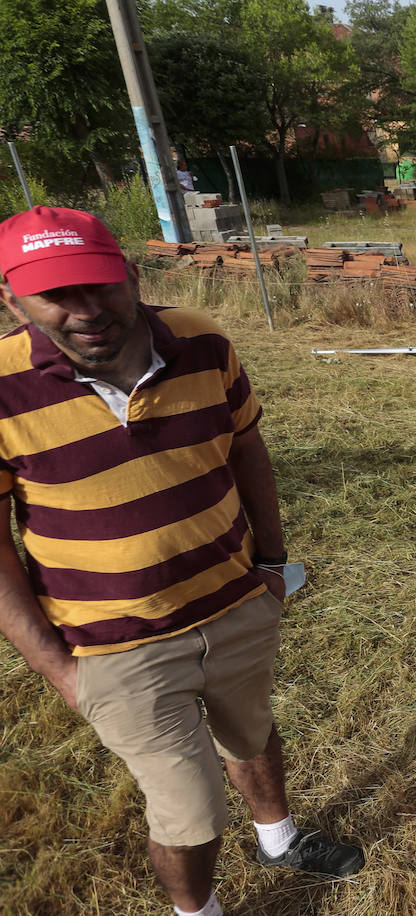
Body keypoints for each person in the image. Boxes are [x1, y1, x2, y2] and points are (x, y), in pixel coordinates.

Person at [0, 207, 363, 916]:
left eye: (100, 285)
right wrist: (57, 667)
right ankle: (196, 913)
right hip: (115, 645)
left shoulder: (201, 342)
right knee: (190, 813)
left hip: (235, 606)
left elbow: (247, 447)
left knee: (252, 731)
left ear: (131, 274)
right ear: (12, 299)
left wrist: (273, 567)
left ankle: (280, 839)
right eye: (55, 294)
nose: (86, 310)